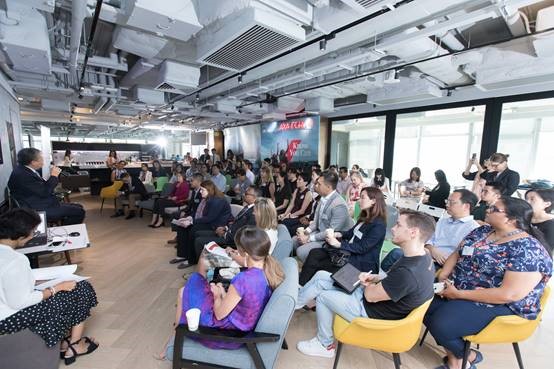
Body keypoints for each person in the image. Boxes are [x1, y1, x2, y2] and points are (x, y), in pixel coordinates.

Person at [424, 197, 552, 369]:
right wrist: (444, 275)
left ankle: (464, 359)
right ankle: (462, 360)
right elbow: (458, 252)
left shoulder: (528, 250)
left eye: (494, 209)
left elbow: (508, 294)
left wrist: (458, 294)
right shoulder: (483, 231)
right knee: (421, 304)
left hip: (501, 303)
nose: (487, 210)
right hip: (458, 288)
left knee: (442, 324)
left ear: (510, 219)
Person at [296, 209, 435, 358]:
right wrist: (373, 278)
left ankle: (325, 345)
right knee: (321, 275)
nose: (393, 229)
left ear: (413, 232)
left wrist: (365, 282)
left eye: (398, 225)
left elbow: (370, 296)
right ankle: (294, 303)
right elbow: (389, 279)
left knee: (323, 297)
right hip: (375, 297)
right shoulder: (422, 256)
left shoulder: (408, 273)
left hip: (371, 311)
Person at [159, 226, 283, 357]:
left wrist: (218, 295)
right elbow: (241, 303)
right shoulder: (268, 272)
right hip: (242, 325)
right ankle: (174, 338)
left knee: (191, 284)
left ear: (246, 254)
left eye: (238, 250)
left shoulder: (243, 279)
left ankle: (175, 339)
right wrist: (223, 294)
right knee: (186, 290)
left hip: (227, 332)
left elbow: (219, 315)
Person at [0, 209, 98, 365]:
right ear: (19, 236)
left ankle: (69, 342)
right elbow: (19, 302)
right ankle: (74, 344)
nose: (33, 236)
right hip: (8, 318)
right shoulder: (16, 260)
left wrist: (36, 282)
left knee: (70, 288)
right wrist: (56, 288)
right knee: (81, 288)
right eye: (32, 232)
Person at [299, 187, 387, 285]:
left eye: (362, 198)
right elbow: (350, 233)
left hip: (361, 262)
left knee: (321, 265)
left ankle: (305, 284)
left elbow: (363, 247)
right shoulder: (364, 218)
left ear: (373, 201)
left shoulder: (379, 225)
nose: (359, 200)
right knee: (315, 253)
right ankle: (302, 283)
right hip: (350, 253)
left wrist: (339, 244)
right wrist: (338, 233)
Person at [8, 148, 86, 225]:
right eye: (41, 158)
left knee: (79, 206)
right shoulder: (23, 175)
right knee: (79, 212)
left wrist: (52, 177)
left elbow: (40, 187)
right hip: (37, 208)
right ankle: (65, 230)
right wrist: (54, 176)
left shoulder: (24, 170)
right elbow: (45, 192)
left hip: (38, 202)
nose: (43, 161)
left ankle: (64, 223)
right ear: (33, 162)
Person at [294, 171, 353, 262]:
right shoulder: (323, 198)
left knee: (301, 251)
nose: (315, 185)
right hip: (321, 232)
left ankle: (310, 268)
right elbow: (316, 221)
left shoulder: (339, 205)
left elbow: (331, 231)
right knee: (294, 240)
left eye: (319, 184)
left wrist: (309, 238)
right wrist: (306, 231)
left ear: (328, 187)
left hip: (332, 239)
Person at [174, 180, 232, 267]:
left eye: (202, 190)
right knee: (182, 227)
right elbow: (200, 214)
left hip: (217, 226)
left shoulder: (217, 201)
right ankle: (182, 255)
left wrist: (191, 221)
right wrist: (189, 218)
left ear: (209, 190)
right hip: (211, 222)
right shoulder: (208, 199)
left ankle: (191, 259)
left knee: (193, 229)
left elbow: (210, 218)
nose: (200, 192)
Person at [192, 186, 259, 258]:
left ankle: (204, 265)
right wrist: (225, 228)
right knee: (198, 234)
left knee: (199, 241)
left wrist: (225, 234)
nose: (243, 194)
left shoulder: (254, 213)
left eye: (246, 193)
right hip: (228, 233)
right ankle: (200, 260)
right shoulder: (247, 207)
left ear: (255, 197)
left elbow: (245, 234)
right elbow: (235, 224)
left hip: (232, 241)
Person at [425, 189, 480, 266]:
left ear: (466, 206)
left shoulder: (474, 228)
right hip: (427, 256)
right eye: (447, 201)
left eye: (452, 202)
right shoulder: (442, 221)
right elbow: (428, 239)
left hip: (446, 265)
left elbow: (465, 256)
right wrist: (432, 250)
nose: (447, 205)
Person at [525, 189, 554, 254]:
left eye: (532, 199)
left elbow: (547, 250)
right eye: (526, 199)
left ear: (547, 204)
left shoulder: (551, 225)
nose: (527, 202)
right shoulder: (524, 217)